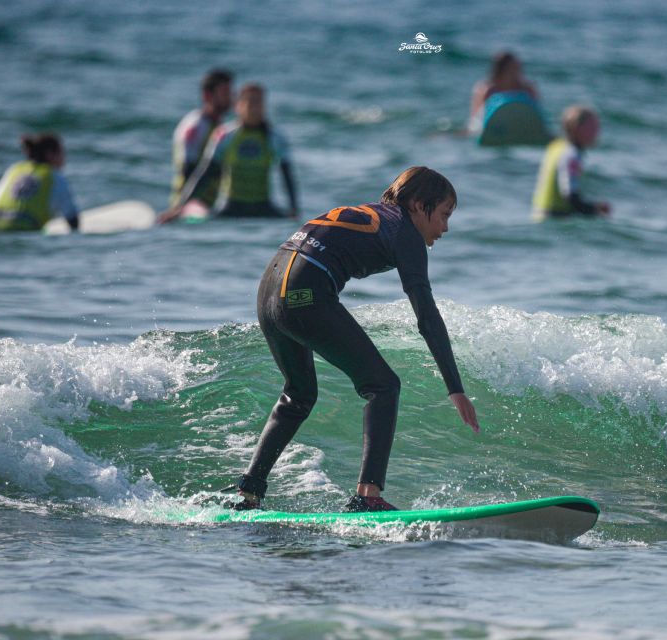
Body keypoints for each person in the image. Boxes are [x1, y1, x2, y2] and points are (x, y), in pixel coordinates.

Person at [231, 167, 480, 512]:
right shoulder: (405, 230)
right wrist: (455, 387)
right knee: (384, 385)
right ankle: (368, 496)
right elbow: (426, 315)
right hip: (304, 289)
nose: (445, 228)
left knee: (298, 394)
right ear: (420, 206)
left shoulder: (376, 215)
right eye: (444, 215)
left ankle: (249, 493)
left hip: (269, 288)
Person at [160, 83, 298, 222]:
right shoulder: (225, 135)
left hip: (263, 207)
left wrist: (294, 210)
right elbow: (205, 172)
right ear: (238, 105)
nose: (254, 107)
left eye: (259, 102)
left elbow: (286, 175)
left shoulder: (275, 137)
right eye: (250, 102)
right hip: (231, 207)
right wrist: (180, 207)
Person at [0, 133, 79, 235]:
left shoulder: (15, 169)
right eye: (62, 152)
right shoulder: (56, 177)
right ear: (50, 154)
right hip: (18, 232)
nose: (65, 157)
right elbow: (72, 219)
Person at [532, 105, 611, 220]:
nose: (597, 131)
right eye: (592, 127)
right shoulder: (572, 154)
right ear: (577, 128)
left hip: (539, 215)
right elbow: (570, 195)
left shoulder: (556, 146)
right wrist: (595, 210)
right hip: (554, 219)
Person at [169, 68, 234, 208]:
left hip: (209, 204)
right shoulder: (196, 126)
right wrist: (182, 206)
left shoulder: (218, 126)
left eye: (230, 92)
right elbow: (188, 169)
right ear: (207, 95)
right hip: (189, 205)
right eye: (225, 93)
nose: (230, 98)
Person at [469, 51, 539, 130]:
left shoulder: (527, 89)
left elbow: (537, 115)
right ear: (500, 70)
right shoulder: (486, 89)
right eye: (512, 69)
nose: (517, 73)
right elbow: (475, 118)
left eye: (518, 69)